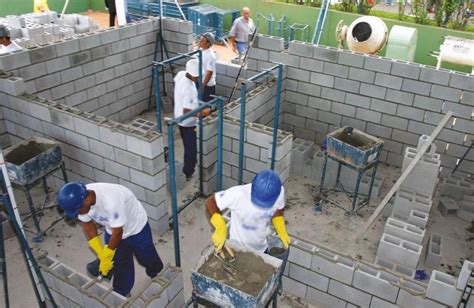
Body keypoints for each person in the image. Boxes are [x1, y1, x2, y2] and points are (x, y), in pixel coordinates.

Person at [57, 182, 164, 297]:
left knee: (147, 256)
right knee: (120, 264)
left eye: (78, 211)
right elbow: (87, 224)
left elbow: (118, 231)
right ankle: (121, 293)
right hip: (112, 228)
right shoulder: (81, 198)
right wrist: (100, 251)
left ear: (86, 201)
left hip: (136, 228)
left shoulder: (111, 201)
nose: (78, 214)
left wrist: (108, 253)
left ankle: (156, 274)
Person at [205, 169, 291, 253]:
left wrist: (280, 227)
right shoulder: (238, 194)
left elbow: (278, 209)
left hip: (262, 247)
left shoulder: (278, 192)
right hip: (237, 247)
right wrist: (220, 226)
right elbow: (210, 202)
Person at [174, 59, 200, 180]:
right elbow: (186, 111)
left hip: (178, 118)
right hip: (188, 122)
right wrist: (201, 112)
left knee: (187, 144)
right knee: (191, 150)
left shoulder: (181, 74)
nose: (198, 78)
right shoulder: (189, 88)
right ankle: (188, 171)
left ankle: (189, 167)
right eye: (197, 76)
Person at [198, 32, 217, 103]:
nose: (200, 41)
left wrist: (202, 86)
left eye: (202, 40)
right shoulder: (201, 51)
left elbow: (210, 72)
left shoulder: (210, 56)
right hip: (201, 82)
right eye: (200, 39)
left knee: (206, 106)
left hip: (207, 85)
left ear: (208, 44)